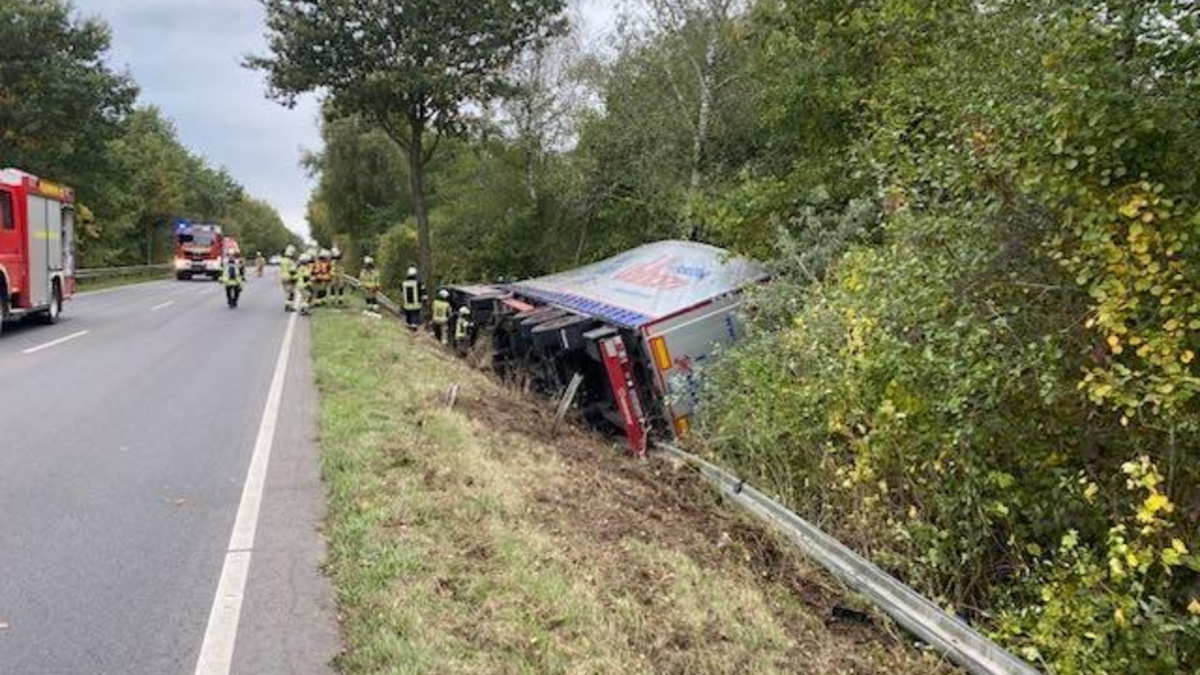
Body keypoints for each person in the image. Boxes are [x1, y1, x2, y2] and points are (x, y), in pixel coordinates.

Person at [400, 266, 424, 330]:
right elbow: (423, 292)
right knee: (415, 319)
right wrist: (424, 300)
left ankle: (408, 325)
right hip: (416, 305)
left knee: (408, 319)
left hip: (406, 305)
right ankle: (414, 327)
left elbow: (401, 292)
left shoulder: (403, 283)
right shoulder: (419, 283)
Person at [280, 245, 298, 312]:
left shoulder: (282, 260)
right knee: (291, 293)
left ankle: (287, 305)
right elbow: (293, 271)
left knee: (287, 292)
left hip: (282, 277)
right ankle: (289, 306)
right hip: (289, 277)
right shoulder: (291, 261)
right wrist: (296, 278)